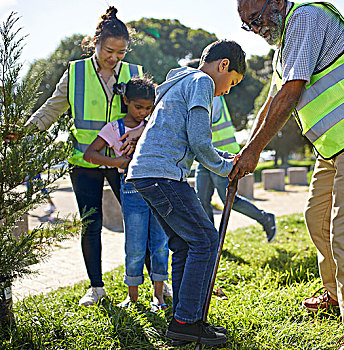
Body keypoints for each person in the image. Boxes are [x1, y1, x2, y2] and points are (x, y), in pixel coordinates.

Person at [235, 1, 344, 349]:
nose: (254, 29)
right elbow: (271, 101)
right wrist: (246, 148)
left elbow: (291, 93)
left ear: (276, 2)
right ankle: (337, 295)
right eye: (246, 25)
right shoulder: (284, 45)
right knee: (317, 218)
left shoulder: (306, 18)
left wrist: (254, 151)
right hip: (336, 142)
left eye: (255, 19)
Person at [24, 7, 146, 306]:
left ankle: (156, 283)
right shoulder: (76, 72)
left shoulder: (133, 73)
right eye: (109, 50)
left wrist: (139, 135)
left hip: (124, 163)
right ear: (95, 42)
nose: (114, 57)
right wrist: (24, 131)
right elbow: (51, 109)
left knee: (140, 221)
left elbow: (147, 115)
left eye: (120, 52)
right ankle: (96, 288)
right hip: (84, 163)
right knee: (91, 224)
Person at [127, 40, 245, 346]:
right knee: (206, 241)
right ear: (223, 66)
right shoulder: (202, 82)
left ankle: (183, 320)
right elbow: (198, 140)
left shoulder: (179, 82)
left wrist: (223, 158)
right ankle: (187, 321)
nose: (228, 91)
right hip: (163, 174)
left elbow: (186, 138)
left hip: (147, 172)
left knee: (183, 244)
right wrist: (226, 167)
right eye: (231, 82)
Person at [83, 77, 169, 311]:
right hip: (131, 189)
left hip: (159, 187)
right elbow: (90, 154)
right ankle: (132, 297)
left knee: (160, 244)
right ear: (126, 101)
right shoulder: (114, 128)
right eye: (138, 107)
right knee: (135, 245)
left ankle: (159, 296)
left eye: (148, 108)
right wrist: (116, 161)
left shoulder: (155, 124)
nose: (143, 112)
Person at [184, 59, 277, 242]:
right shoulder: (204, 92)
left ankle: (265, 218)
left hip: (224, 156)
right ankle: (210, 241)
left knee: (229, 199)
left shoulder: (212, 95)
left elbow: (201, 121)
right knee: (202, 199)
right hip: (206, 156)